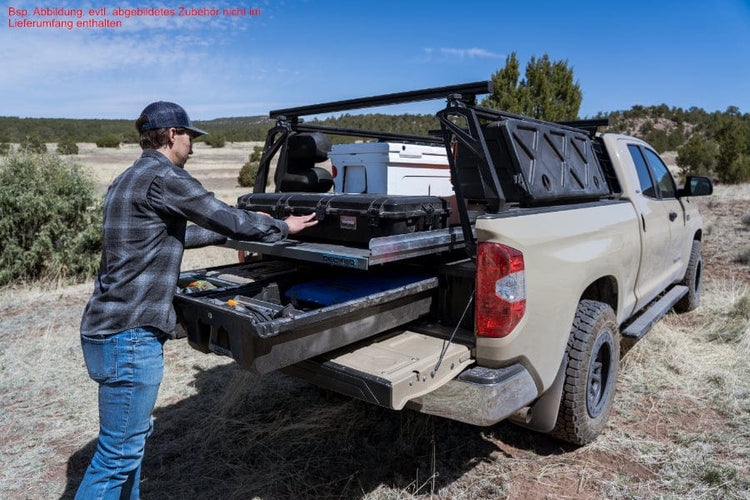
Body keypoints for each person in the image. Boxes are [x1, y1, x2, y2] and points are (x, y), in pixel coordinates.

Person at [75, 101, 317, 499]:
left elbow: (174, 235)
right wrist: (280, 226)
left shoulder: (128, 178)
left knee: (127, 449)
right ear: (173, 135)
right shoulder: (163, 176)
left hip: (105, 330)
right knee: (116, 458)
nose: (193, 146)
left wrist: (227, 235)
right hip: (130, 338)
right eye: (189, 137)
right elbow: (223, 215)